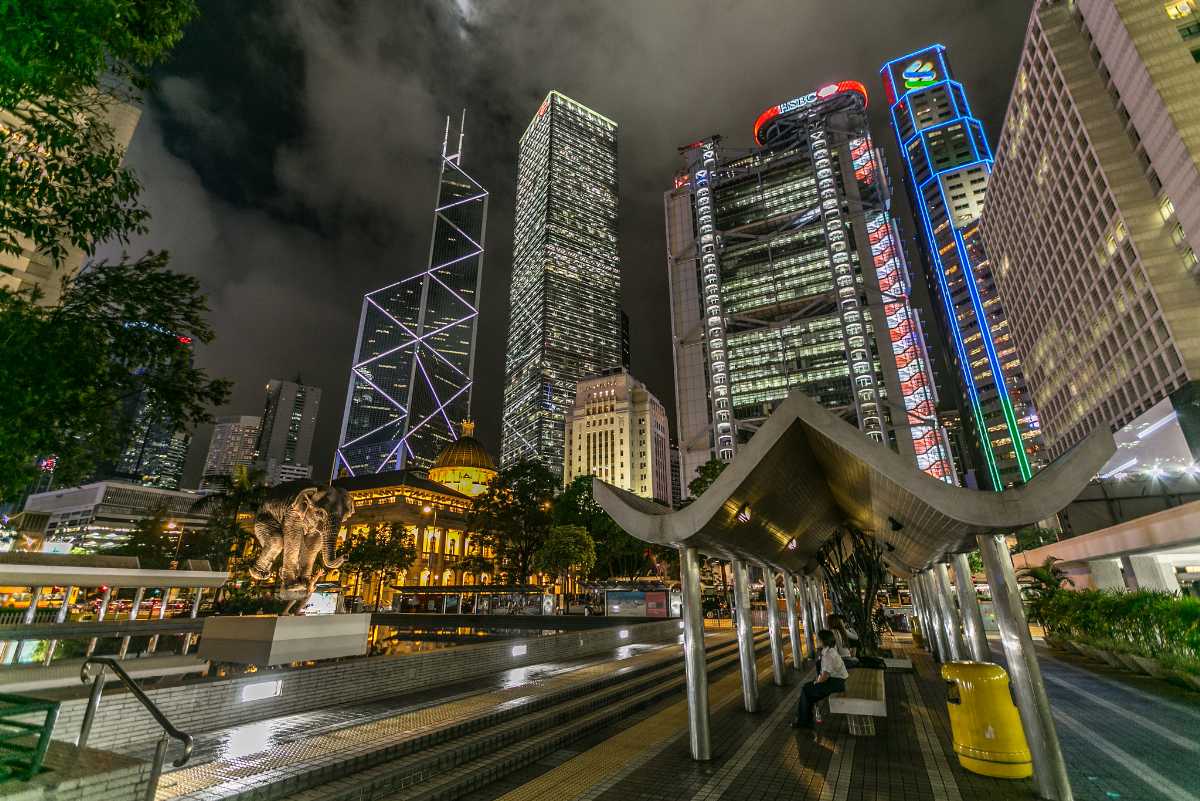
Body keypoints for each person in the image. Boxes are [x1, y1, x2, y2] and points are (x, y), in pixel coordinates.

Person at [792, 629, 849, 729]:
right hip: (838, 680)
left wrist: (816, 682)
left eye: (818, 639)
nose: (816, 640)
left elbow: (825, 675)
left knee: (806, 689)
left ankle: (804, 722)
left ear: (824, 641)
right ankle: (805, 720)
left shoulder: (828, 655)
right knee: (808, 690)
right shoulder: (830, 651)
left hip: (836, 682)